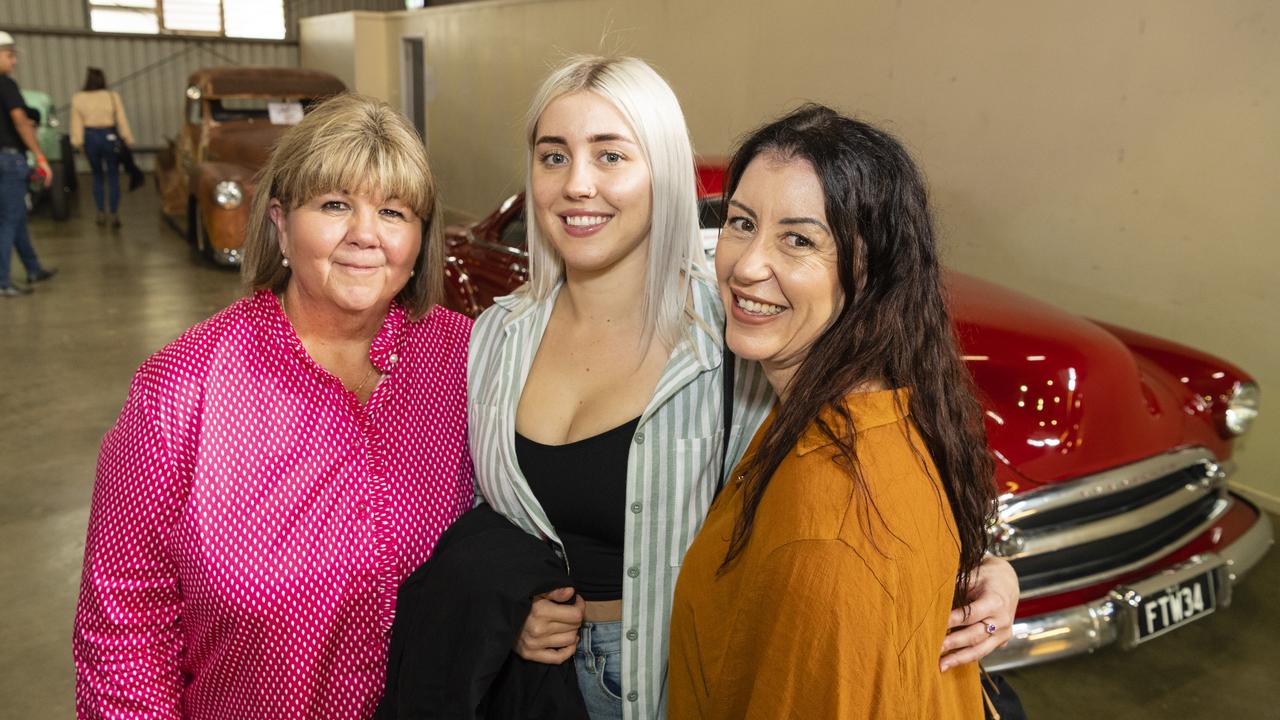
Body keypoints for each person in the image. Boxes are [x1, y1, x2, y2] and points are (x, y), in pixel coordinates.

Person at [467, 56, 1017, 720]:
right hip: (537, 686)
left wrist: (985, 570)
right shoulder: (497, 335)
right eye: (553, 156)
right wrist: (507, 605)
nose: (579, 183)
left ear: (663, 174)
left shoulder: (734, 329)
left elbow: (894, 451)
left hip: (674, 680)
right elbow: (480, 514)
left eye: (611, 156)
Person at [72, 94, 474, 719]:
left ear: (420, 238)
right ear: (281, 223)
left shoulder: (465, 360)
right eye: (335, 204)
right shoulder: (182, 388)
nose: (365, 234)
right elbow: (125, 634)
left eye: (393, 211)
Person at [667, 105, 997, 718]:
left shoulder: (834, 535)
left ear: (870, 270)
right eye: (741, 223)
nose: (746, 265)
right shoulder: (849, 406)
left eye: (798, 239)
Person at [0, 30, 56, 297]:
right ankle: (2, 281)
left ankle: (33, 268)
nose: (14, 62)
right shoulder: (5, 85)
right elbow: (21, 121)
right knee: (9, 220)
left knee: (16, 218)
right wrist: (40, 156)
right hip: (9, 159)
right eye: (9, 55)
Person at [70, 67, 134, 229]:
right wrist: (127, 137)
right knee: (113, 175)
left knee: (97, 176)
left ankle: (100, 211)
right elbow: (121, 118)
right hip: (109, 135)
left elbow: (76, 122)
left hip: (90, 137)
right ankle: (114, 213)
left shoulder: (78, 98)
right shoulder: (112, 97)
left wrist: (77, 142)